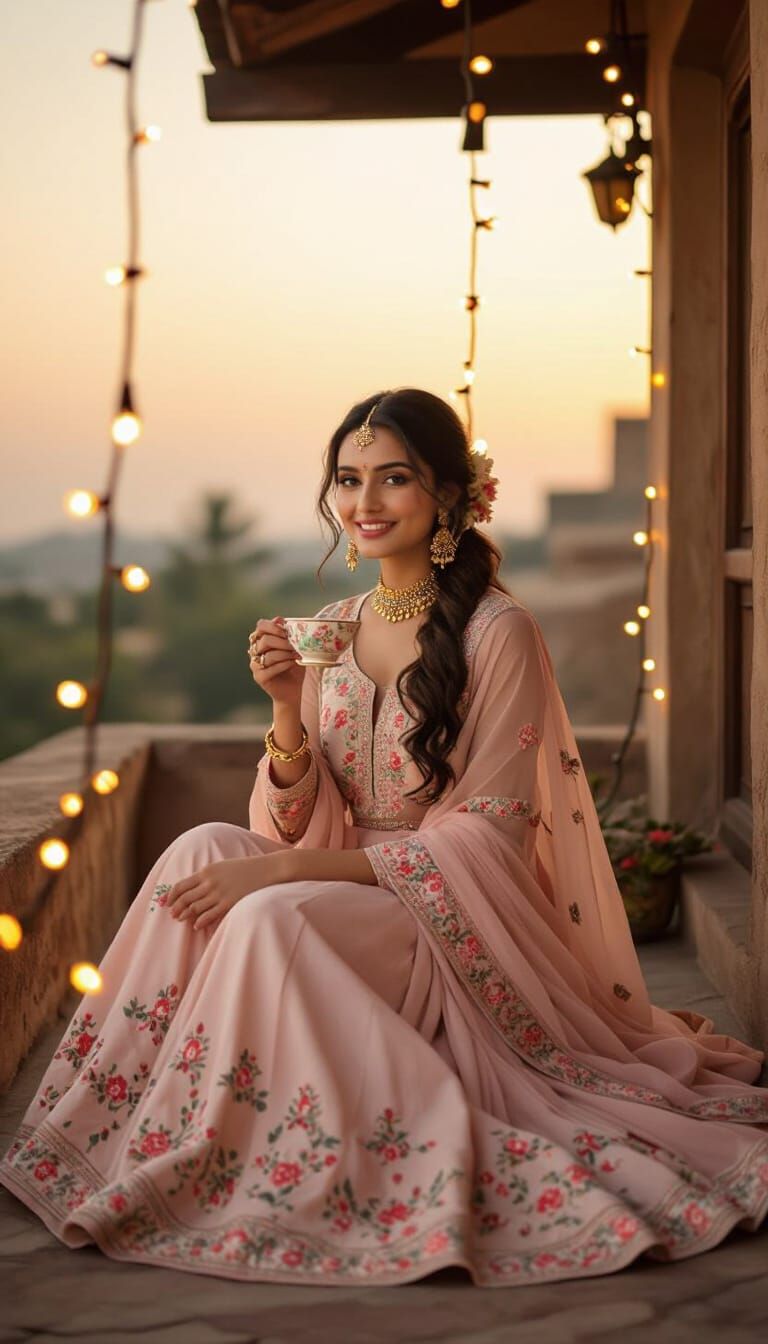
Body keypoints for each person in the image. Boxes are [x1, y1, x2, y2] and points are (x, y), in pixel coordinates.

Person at [2, 387, 767, 1288]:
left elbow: (488, 833)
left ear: (449, 493)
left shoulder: (499, 633)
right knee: (200, 850)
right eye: (349, 479)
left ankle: (249, 1149)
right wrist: (286, 712)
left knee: (267, 917)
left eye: (393, 478)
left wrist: (288, 869)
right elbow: (304, 811)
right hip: (345, 879)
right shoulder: (335, 629)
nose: (364, 504)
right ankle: (137, 1125)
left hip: (441, 909)